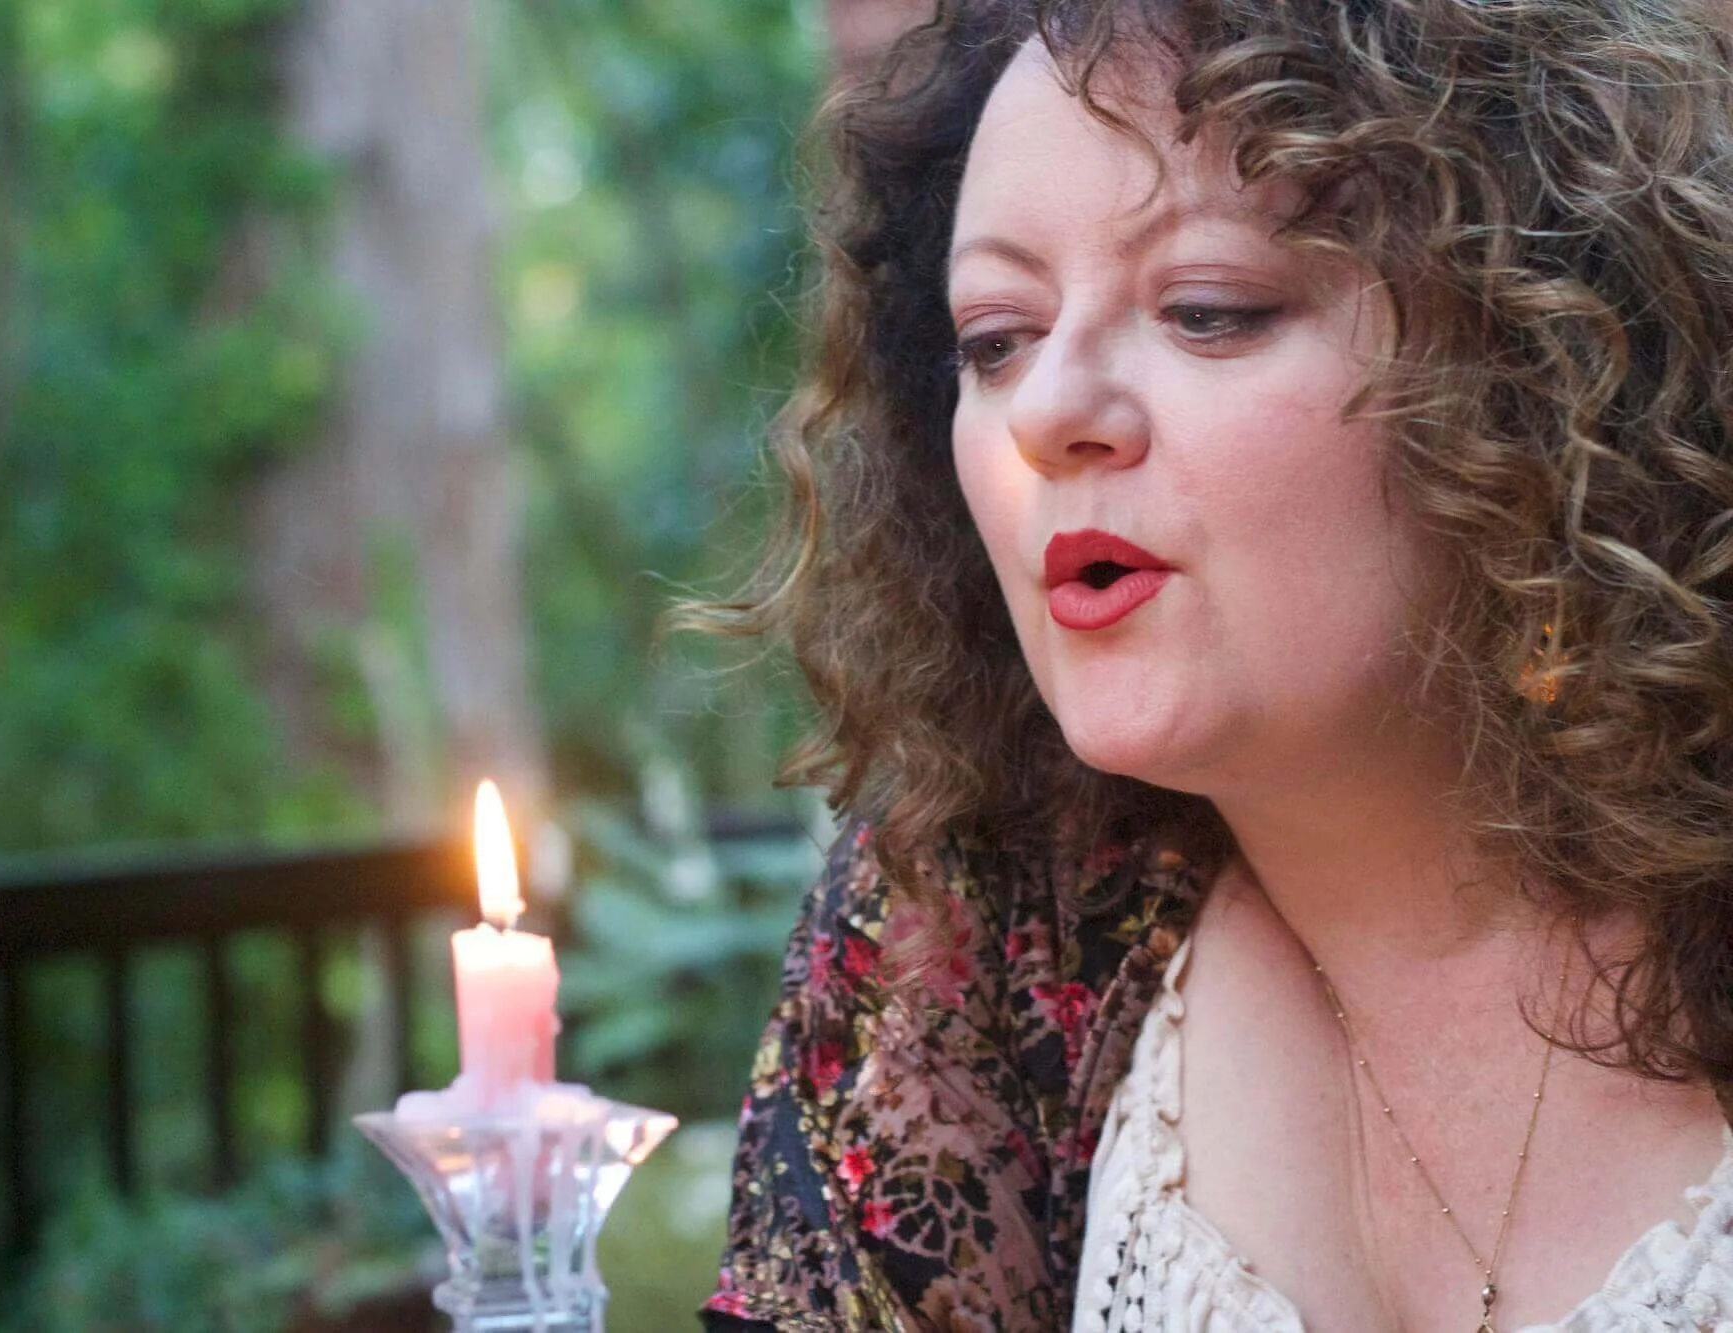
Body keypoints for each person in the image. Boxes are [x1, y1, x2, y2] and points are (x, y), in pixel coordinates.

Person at [691, 0, 1733, 1328]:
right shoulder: (972, 920)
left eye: (1209, 309)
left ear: (1546, 370)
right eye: (994, 339)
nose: (1049, 413)